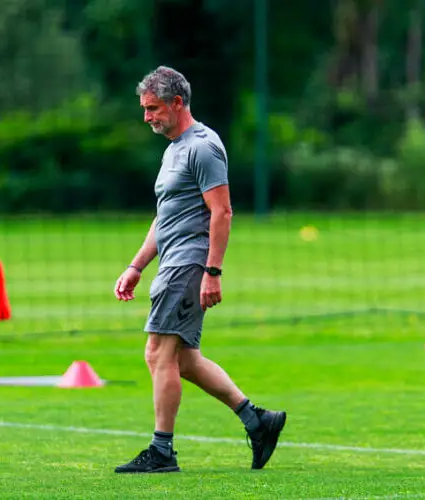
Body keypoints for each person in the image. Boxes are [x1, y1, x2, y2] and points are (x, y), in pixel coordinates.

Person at [113, 66, 287, 474]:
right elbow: (165, 217)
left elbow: (222, 211)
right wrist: (137, 265)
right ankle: (257, 420)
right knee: (184, 359)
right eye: (144, 109)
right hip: (173, 262)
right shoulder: (174, 148)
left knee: (158, 352)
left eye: (153, 108)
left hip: (189, 264)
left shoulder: (203, 147)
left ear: (177, 103)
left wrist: (213, 271)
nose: (147, 117)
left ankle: (162, 451)